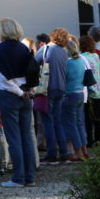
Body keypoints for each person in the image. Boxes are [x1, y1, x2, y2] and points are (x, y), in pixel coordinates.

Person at [0, 18, 37, 187]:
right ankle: (29, 177)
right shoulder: (24, 48)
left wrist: (19, 92)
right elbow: (32, 71)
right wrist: (28, 90)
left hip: (10, 96)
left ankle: (18, 177)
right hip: (26, 93)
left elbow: (3, 79)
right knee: (27, 137)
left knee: (13, 138)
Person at [38, 28, 70, 163]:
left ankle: (51, 154)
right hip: (61, 88)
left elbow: (34, 64)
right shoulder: (63, 52)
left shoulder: (45, 49)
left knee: (47, 122)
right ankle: (63, 152)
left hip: (47, 87)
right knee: (58, 121)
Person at [63, 39, 91, 159]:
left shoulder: (67, 63)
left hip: (70, 94)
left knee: (71, 124)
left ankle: (77, 151)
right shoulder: (80, 60)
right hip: (81, 93)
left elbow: (64, 78)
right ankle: (84, 150)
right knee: (80, 123)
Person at [79, 35, 100, 145]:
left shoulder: (81, 57)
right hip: (99, 87)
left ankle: (89, 139)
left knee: (88, 117)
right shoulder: (96, 56)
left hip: (89, 89)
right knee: (98, 115)